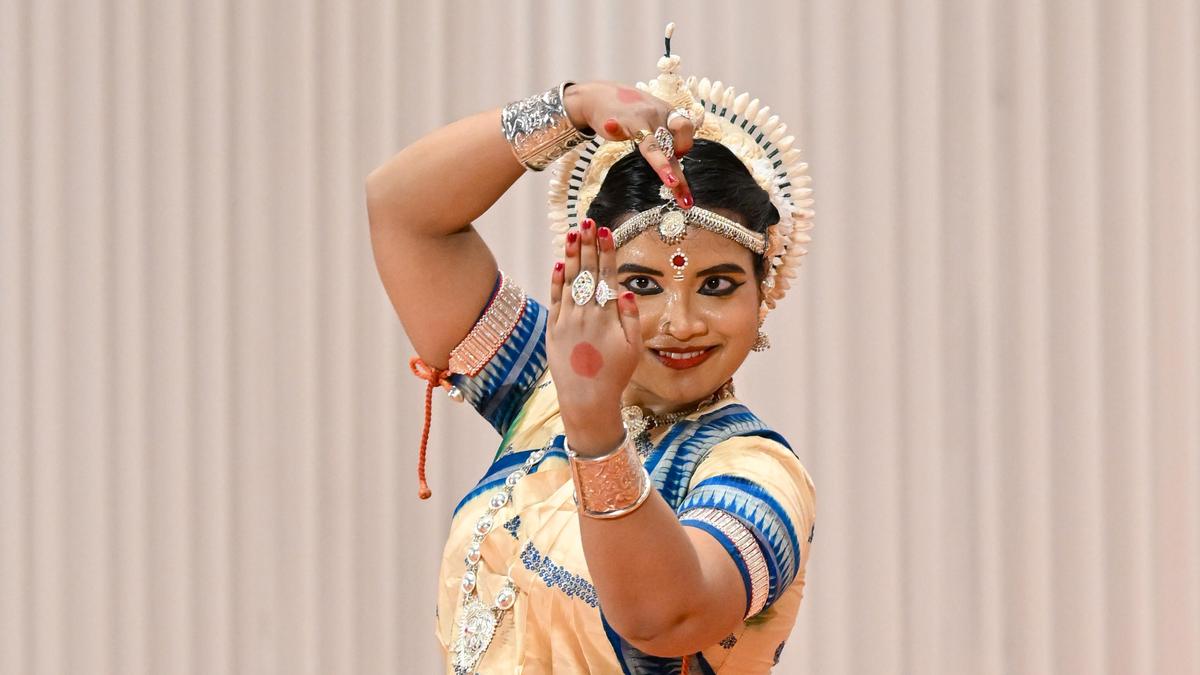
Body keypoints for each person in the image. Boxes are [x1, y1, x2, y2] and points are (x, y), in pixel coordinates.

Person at [366, 23, 817, 675]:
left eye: (717, 285)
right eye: (642, 284)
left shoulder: (757, 473)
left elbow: (667, 616)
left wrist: (594, 426)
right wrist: (572, 110)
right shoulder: (547, 390)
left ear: (762, 291)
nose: (680, 321)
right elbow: (404, 213)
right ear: (594, 279)